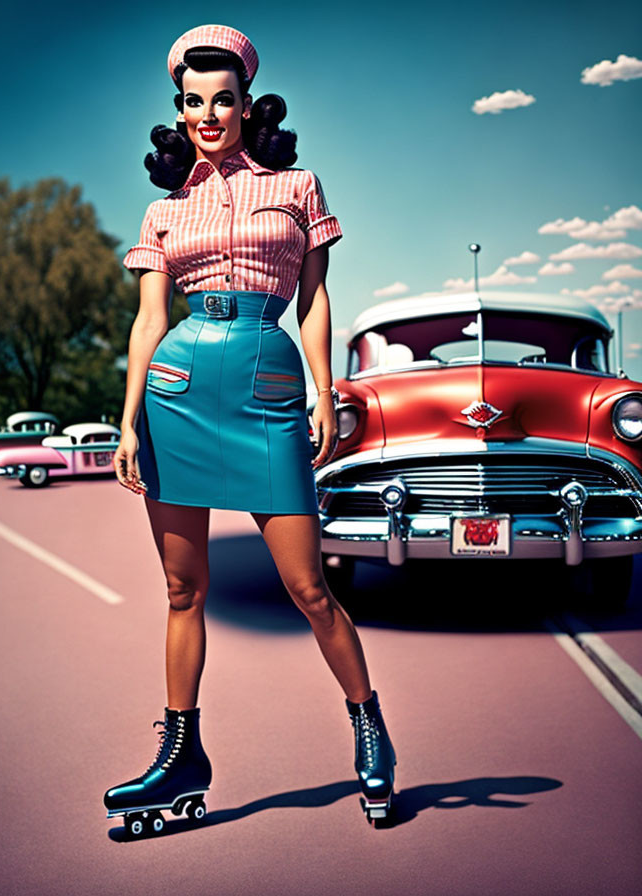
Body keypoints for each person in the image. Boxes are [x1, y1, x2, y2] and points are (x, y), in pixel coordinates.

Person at [103, 24, 396, 834]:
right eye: (193, 102)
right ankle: (180, 755)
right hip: (178, 389)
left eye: (222, 99)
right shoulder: (165, 208)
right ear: (181, 108)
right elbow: (148, 318)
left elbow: (314, 301)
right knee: (182, 590)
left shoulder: (297, 186)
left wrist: (323, 391)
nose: (208, 114)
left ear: (245, 103)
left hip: (268, 389)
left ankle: (370, 725)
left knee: (309, 588)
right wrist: (128, 423)